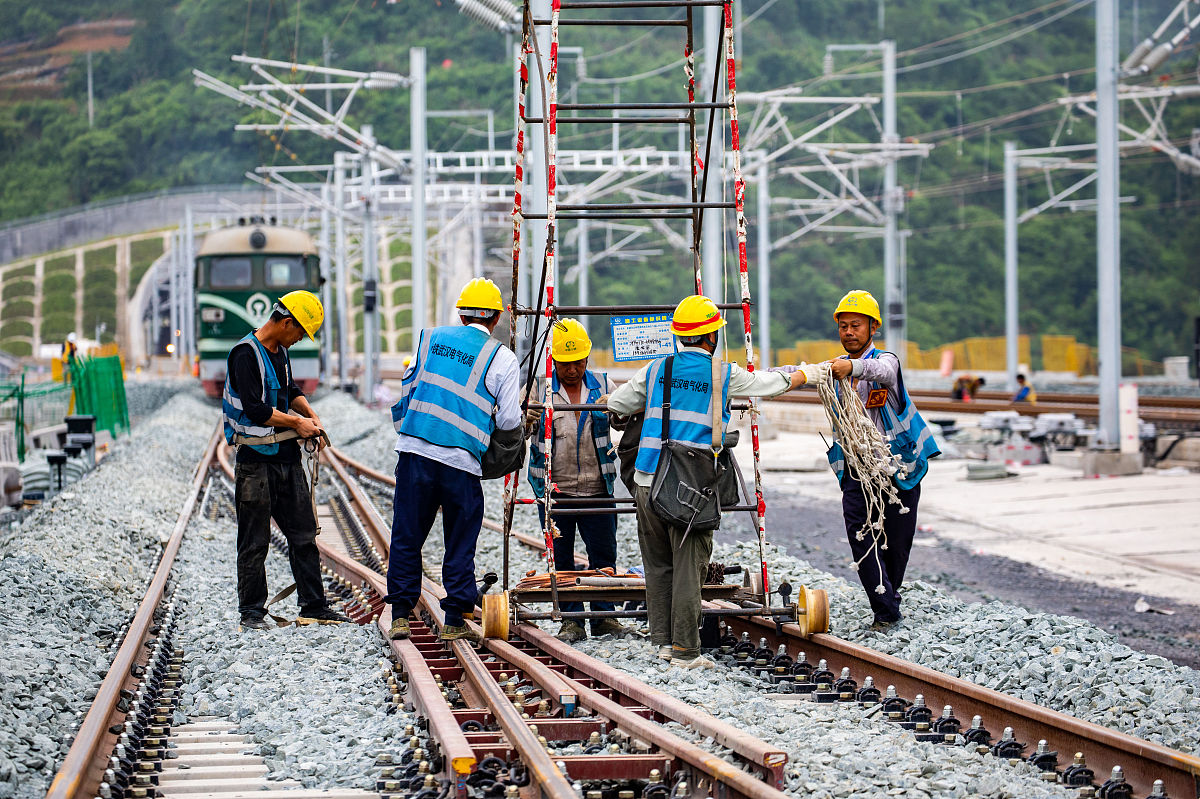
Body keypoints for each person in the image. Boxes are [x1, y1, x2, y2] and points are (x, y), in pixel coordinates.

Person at [606, 295, 823, 668]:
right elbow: (770, 384)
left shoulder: (658, 368)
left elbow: (617, 406)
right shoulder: (723, 374)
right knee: (690, 567)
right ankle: (686, 651)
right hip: (690, 486)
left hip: (646, 478)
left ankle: (661, 642)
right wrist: (811, 373)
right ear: (711, 338)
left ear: (681, 336)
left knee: (658, 566)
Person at [387, 277, 521, 643]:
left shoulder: (429, 338)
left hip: (415, 453)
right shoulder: (502, 357)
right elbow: (510, 421)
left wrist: (410, 431)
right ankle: (454, 620)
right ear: (496, 318)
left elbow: (406, 390)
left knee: (407, 534)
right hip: (461, 463)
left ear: (461, 315)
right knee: (460, 539)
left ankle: (400, 615)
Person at [222, 290, 349, 631]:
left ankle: (314, 606)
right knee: (254, 541)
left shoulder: (279, 352)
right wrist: (297, 423)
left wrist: (311, 415)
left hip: (286, 459)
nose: (298, 340)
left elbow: (289, 390)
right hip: (255, 461)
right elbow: (256, 410)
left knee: (304, 535)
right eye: (299, 333)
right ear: (286, 322)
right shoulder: (244, 354)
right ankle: (251, 613)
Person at [824, 290, 939, 630]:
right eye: (843, 326)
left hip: (899, 469)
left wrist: (852, 367)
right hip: (858, 472)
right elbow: (796, 373)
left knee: (898, 542)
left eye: (856, 325)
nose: (849, 332)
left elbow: (883, 372)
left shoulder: (886, 361)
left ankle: (889, 595)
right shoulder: (834, 371)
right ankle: (886, 611)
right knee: (860, 537)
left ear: (873, 327)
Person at [527, 318, 627, 643]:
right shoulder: (541, 389)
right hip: (557, 493)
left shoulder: (603, 385)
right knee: (562, 558)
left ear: (587, 357)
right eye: (565, 364)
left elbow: (625, 421)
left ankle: (603, 617)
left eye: (578, 362)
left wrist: (618, 411)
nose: (572, 370)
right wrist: (526, 419)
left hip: (599, 488)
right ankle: (571, 621)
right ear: (554, 360)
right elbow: (520, 430)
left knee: (603, 555)